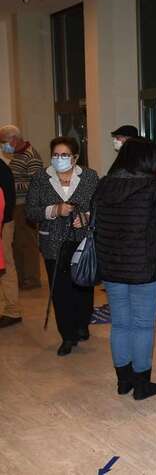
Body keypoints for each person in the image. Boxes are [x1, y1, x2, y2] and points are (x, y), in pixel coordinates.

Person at [93, 138, 156, 399]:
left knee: (120, 324)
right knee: (143, 325)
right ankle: (141, 384)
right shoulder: (155, 188)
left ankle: (123, 381)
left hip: (111, 267)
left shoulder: (104, 185)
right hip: (145, 268)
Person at [26, 137, 98, 355]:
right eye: (55, 155)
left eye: (64, 155)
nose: (59, 159)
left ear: (75, 157)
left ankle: (82, 323)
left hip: (82, 240)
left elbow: (99, 206)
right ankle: (67, 335)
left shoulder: (89, 176)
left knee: (83, 286)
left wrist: (86, 217)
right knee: (60, 290)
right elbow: (30, 211)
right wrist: (54, 210)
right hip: (53, 243)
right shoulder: (40, 178)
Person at [0, 124, 43, 291]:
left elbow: (36, 184)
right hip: (15, 206)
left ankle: (31, 280)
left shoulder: (31, 155)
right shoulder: (17, 155)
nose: (3, 146)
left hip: (25, 205)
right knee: (17, 244)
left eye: (4, 142)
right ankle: (21, 278)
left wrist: (10, 186)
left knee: (28, 244)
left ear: (14, 139)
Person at [0, 159, 17, 328]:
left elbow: (8, 200)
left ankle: (13, 310)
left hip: (3, 224)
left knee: (5, 264)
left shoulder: (2, 168)